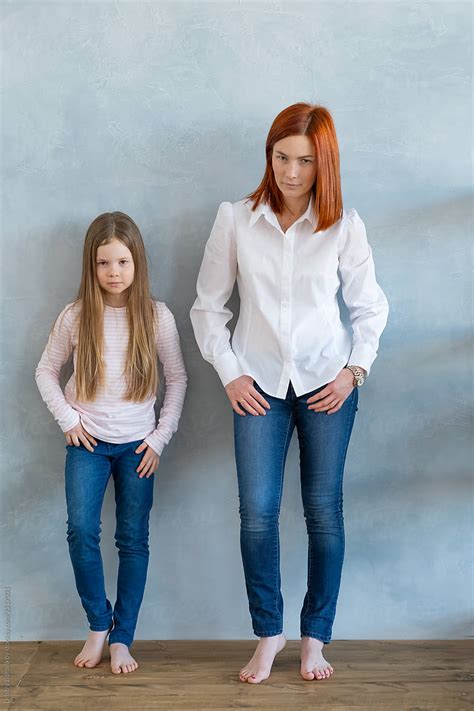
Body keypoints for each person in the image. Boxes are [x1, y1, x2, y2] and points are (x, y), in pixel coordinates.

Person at [190, 103, 389, 684]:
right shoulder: (235, 218)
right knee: (257, 513)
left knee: (324, 512)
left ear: (323, 162)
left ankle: (315, 637)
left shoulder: (344, 224)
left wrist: (354, 372)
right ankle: (268, 633)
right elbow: (207, 307)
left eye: (304, 160)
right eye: (282, 157)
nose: (292, 172)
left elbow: (369, 308)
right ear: (269, 155)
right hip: (258, 386)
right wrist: (230, 372)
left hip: (330, 383)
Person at [35, 212, 187, 674]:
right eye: (104, 263)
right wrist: (67, 418)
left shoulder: (156, 316)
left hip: (138, 447)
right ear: (91, 265)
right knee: (81, 531)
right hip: (88, 445)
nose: (114, 272)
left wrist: (159, 439)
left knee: (132, 540)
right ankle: (99, 624)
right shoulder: (76, 315)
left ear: (137, 262)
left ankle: (123, 637)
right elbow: (45, 371)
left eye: (122, 261)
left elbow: (177, 379)